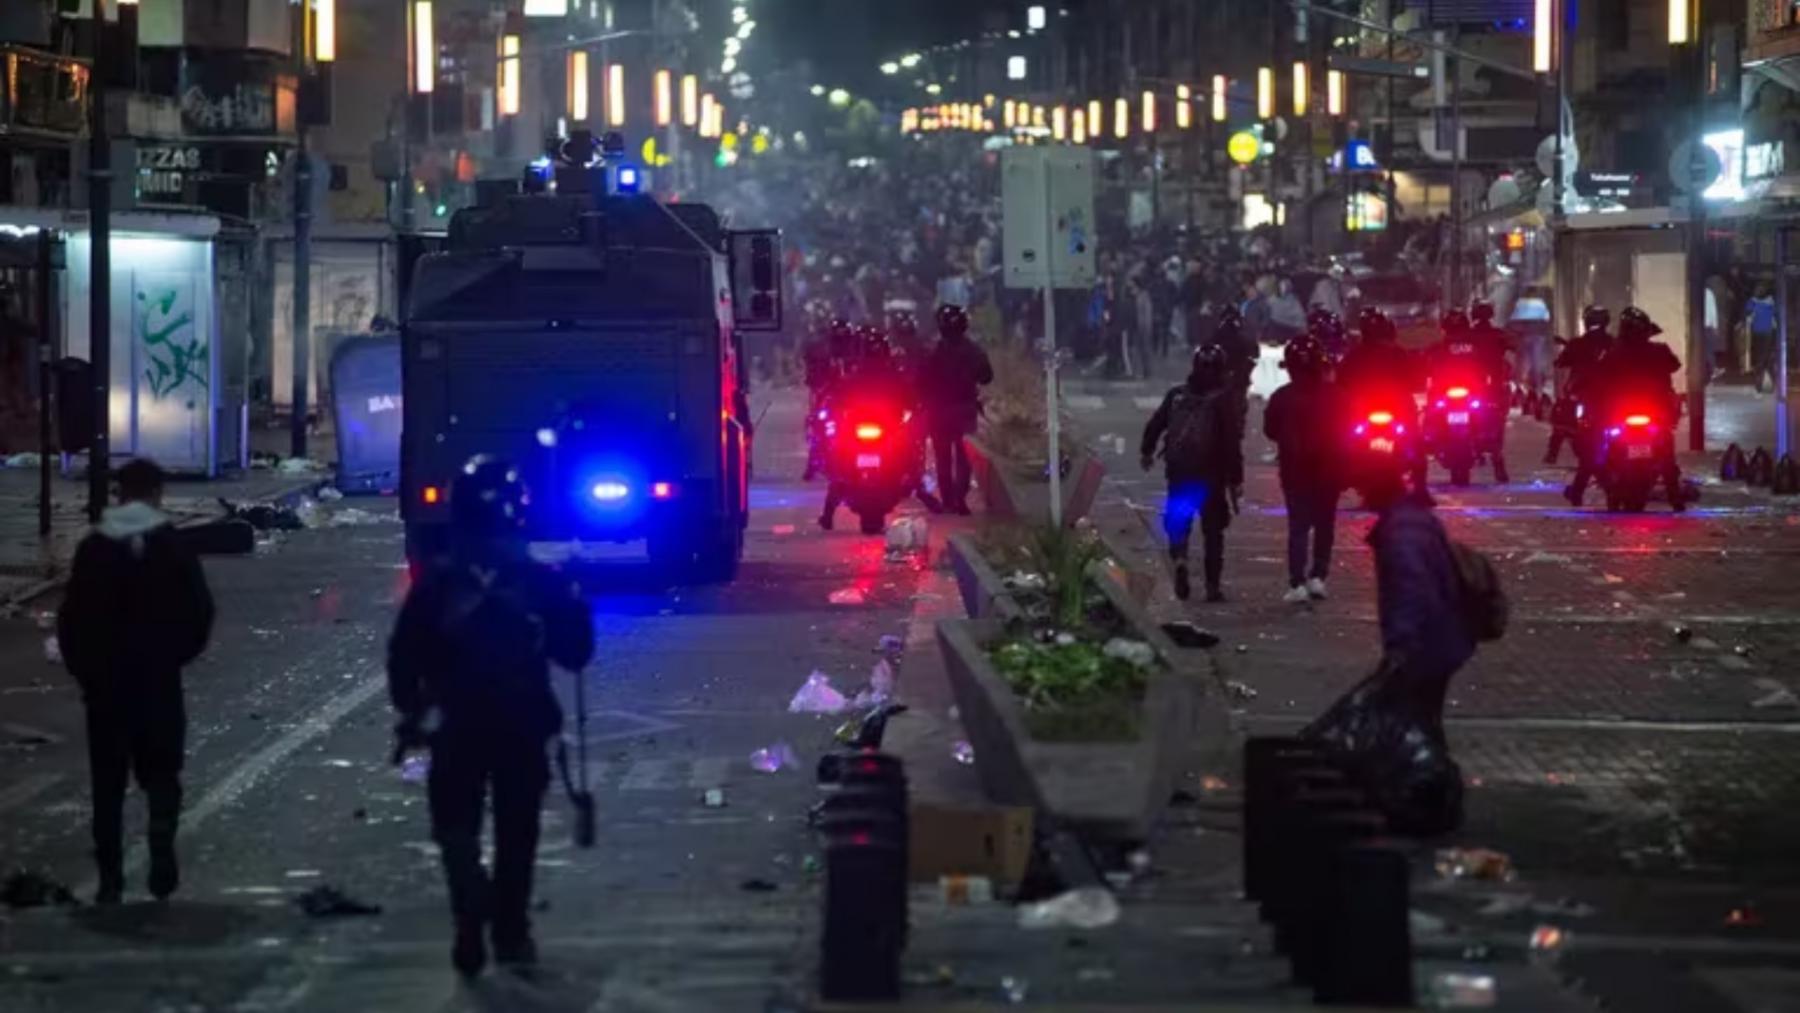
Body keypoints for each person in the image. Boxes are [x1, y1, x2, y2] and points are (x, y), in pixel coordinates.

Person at [388, 456, 596, 975]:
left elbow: (403, 655)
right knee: (515, 829)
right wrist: (573, 604)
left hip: (456, 722)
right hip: (522, 722)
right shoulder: (538, 579)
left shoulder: (438, 582)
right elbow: (575, 654)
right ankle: (509, 930)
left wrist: (412, 709)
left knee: (455, 823)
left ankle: (468, 900)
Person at [57, 458, 215, 904]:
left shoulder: (95, 547)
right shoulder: (172, 546)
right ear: (158, 493)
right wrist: (171, 658)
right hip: (157, 681)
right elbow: (199, 613)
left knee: (107, 783)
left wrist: (87, 671)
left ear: (119, 494)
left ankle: (110, 875)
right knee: (161, 772)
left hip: (107, 685)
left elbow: (72, 619)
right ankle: (161, 843)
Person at [1140, 344, 1245, 603]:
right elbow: (1232, 443)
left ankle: (1180, 559)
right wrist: (1236, 478)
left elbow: (1155, 425)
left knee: (1179, 521)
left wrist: (1147, 452)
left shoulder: (1177, 396)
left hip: (1180, 471)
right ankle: (1212, 586)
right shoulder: (1224, 401)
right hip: (1212, 475)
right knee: (1213, 532)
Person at [1579, 306, 1687, 510]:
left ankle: (1580, 489)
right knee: (1665, 456)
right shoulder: (1656, 351)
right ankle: (1675, 498)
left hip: (1634, 414)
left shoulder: (1614, 353)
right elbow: (1674, 366)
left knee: (1596, 448)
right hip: (1646, 414)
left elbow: (1596, 379)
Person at [1264, 336, 1344, 604]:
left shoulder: (1282, 397)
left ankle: (1297, 581)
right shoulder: (1336, 395)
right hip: (1329, 471)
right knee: (1324, 524)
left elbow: (1270, 430)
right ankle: (1318, 577)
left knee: (1298, 527)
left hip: (1294, 472)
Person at [920, 304, 994, 515]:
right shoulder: (974, 350)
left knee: (943, 456)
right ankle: (959, 499)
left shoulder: (932, 350)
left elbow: (920, 380)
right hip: (964, 410)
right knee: (964, 457)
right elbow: (987, 377)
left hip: (939, 411)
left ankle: (949, 500)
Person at [1548, 305, 1612, 469]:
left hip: (1587, 390)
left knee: (1561, 416)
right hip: (1597, 392)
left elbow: (1561, 362)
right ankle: (1553, 452)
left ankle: (1552, 453)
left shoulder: (1578, 343)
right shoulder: (1613, 342)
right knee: (1562, 415)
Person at [1747, 284, 1779, 394]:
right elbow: (1775, 318)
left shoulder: (1752, 302)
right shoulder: (1771, 303)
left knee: (1760, 358)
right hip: (1768, 333)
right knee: (1767, 357)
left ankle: (1759, 385)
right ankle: (1771, 383)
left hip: (1757, 332)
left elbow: (1748, 316)